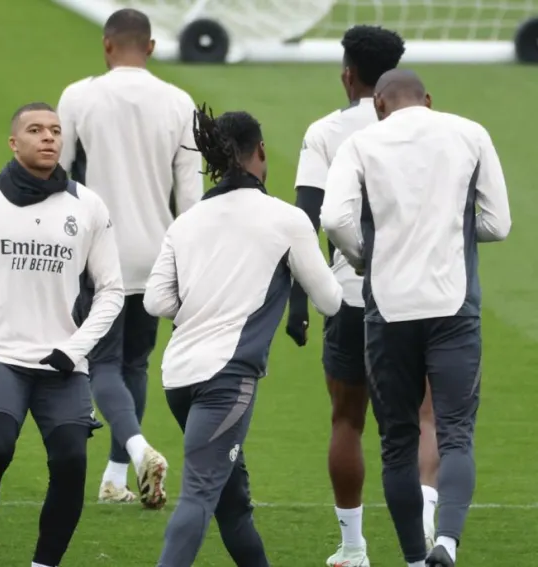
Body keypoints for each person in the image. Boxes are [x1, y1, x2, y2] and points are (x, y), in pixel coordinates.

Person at [321, 69, 511, 567]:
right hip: (453, 304)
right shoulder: (470, 133)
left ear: (379, 105)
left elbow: (335, 219)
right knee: (454, 432)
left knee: (397, 440)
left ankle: (411, 558)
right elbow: (498, 223)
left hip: (389, 307)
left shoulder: (360, 144)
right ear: (428, 99)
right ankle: (446, 543)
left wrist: (365, 258)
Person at [0, 102, 124, 567]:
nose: (49, 137)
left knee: (72, 462)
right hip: (0, 353)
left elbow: (111, 291)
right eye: (36, 130)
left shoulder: (88, 206)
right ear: (14, 143)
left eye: (55, 130)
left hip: (63, 362)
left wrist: (73, 350)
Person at [145, 105, 343, 567]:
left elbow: (156, 302)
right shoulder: (286, 219)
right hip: (226, 381)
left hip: (178, 377)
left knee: (233, 503)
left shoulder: (187, 221)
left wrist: (202, 304)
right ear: (261, 151)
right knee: (199, 494)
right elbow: (329, 301)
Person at [286, 25, 442, 566]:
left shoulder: (327, 132)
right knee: (422, 417)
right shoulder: (438, 130)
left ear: (348, 74)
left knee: (347, 420)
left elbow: (305, 218)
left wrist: (298, 302)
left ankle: (353, 548)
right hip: (424, 294)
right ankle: (423, 518)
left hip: (353, 296)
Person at [56, 7, 202, 507]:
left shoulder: (79, 96)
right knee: (135, 363)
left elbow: (60, 175)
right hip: (158, 251)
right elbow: (190, 196)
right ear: (152, 47)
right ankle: (116, 477)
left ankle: (137, 453)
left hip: (96, 249)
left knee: (102, 363)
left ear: (106, 44)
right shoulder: (180, 102)